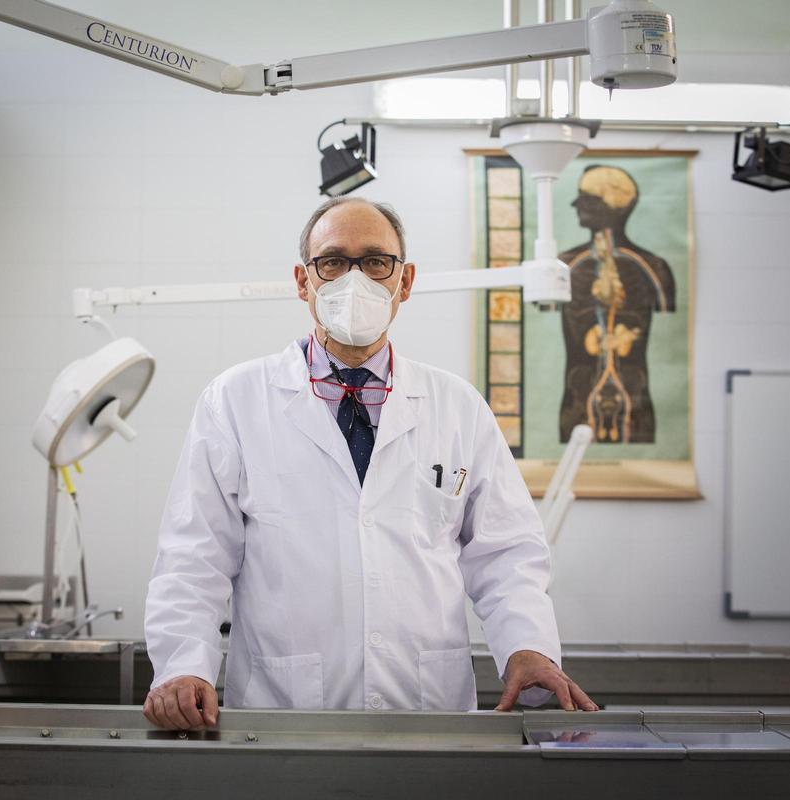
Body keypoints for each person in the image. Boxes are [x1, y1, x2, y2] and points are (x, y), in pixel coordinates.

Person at [143, 197, 596, 730]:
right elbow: (195, 557)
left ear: (404, 282)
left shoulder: (457, 406)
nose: (353, 281)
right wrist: (182, 666)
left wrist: (528, 646)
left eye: (376, 262)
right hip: (283, 712)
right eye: (333, 261)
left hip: (428, 709)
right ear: (302, 280)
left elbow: (507, 553)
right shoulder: (236, 400)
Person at [557, 165, 676, 444]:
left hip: (635, 410)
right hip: (576, 404)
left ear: (609, 205)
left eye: (585, 197)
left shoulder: (654, 269)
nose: (576, 204)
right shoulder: (562, 266)